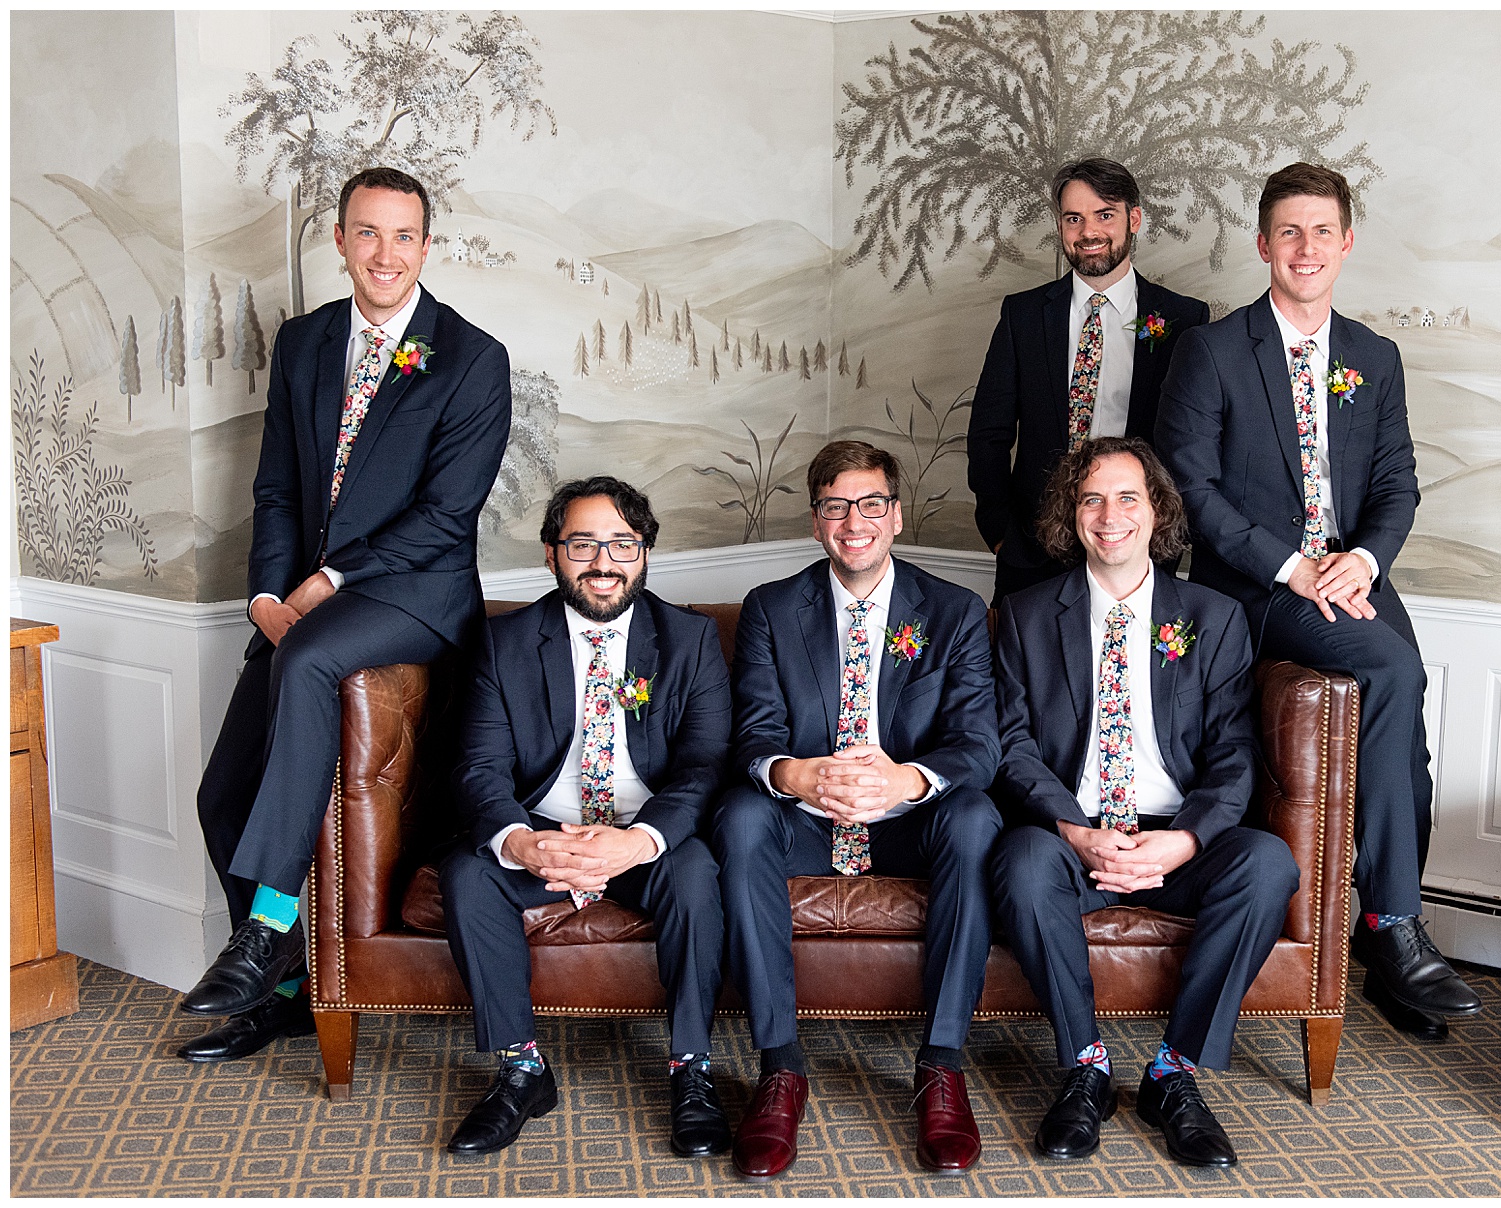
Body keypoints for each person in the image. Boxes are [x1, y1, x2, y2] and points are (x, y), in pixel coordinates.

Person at [181, 167, 511, 1063]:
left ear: (427, 247)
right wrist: (264, 596)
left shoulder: (473, 358)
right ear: (338, 240)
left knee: (314, 657)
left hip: (416, 595)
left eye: (403, 237)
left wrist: (323, 586)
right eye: (367, 234)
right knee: (221, 797)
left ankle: (264, 929)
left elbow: (447, 514)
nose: (385, 255)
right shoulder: (304, 343)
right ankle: (290, 987)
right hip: (302, 600)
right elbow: (279, 486)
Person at [1154, 162, 1481, 1039]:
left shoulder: (1375, 357)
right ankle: (1394, 925)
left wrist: (1365, 559)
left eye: (1322, 231)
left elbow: (1397, 485)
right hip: (1258, 588)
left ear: (1346, 243)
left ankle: (1385, 957)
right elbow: (1190, 486)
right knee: (1390, 664)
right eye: (1288, 232)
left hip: (1351, 574)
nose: (1306, 248)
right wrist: (1292, 568)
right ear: (1264, 245)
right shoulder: (1213, 351)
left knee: (1402, 728)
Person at [989, 437, 1298, 1168]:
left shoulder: (1214, 617)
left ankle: (1174, 1071)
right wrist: (1074, 829)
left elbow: (1232, 753)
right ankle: (1086, 1065)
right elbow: (1012, 745)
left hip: (1176, 836)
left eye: (1128, 496)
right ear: (1072, 514)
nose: (1109, 514)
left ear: (1155, 510)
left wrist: (1184, 841)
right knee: (1020, 863)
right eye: (1091, 497)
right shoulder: (1027, 616)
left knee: (1267, 863)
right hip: (1073, 835)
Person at [711, 440, 1003, 1178]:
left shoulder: (956, 610)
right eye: (836, 506)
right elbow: (752, 735)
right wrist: (796, 774)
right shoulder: (773, 609)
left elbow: (977, 745)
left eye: (871, 504)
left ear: (896, 515)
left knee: (974, 820)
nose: (854, 521)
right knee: (741, 818)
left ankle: (941, 1066)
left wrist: (906, 781)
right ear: (816, 522)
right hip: (808, 822)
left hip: (911, 823)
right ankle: (779, 1067)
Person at [437, 477, 733, 1156]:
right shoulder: (504, 641)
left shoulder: (688, 640)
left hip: (647, 836)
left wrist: (638, 842)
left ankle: (693, 1068)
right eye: (582, 544)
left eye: (623, 544)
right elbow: (478, 767)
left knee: (695, 876)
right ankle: (521, 1069)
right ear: (551, 555)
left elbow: (704, 767)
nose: (604, 563)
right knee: (467, 874)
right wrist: (522, 843)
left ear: (645, 553)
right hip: (548, 829)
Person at [968, 157, 1209, 602]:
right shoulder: (1023, 315)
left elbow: (1193, 442)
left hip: (1137, 544)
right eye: (1073, 218)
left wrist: (1168, 539)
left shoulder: (1181, 318)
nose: (1088, 232)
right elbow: (988, 430)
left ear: (1133, 218)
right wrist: (1000, 533)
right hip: (1033, 546)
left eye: (1105, 215)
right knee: (1028, 668)